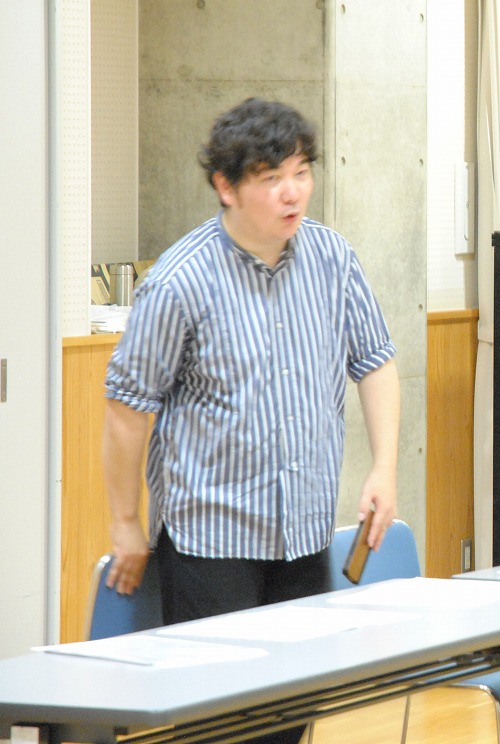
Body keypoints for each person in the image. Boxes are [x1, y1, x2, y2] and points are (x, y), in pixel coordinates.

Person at [100, 98, 400, 744]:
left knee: (290, 722)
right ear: (226, 187)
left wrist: (384, 467)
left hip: (304, 534)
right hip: (212, 544)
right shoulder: (179, 281)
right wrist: (126, 521)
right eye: (271, 179)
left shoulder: (332, 258)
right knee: (221, 728)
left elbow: (375, 362)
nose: (293, 193)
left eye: (302, 172)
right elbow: (127, 407)